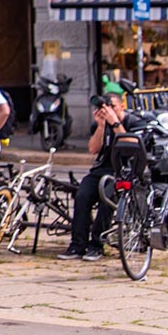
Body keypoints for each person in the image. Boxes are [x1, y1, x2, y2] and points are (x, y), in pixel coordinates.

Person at [58, 90, 128, 261]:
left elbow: (127, 144)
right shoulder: (101, 123)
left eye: (112, 106)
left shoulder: (131, 121)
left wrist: (115, 122)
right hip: (101, 169)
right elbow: (93, 149)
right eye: (105, 107)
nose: (108, 110)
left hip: (123, 171)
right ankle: (77, 245)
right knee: (82, 196)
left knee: (107, 201)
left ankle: (96, 245)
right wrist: (102, 126)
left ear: (122, 106)